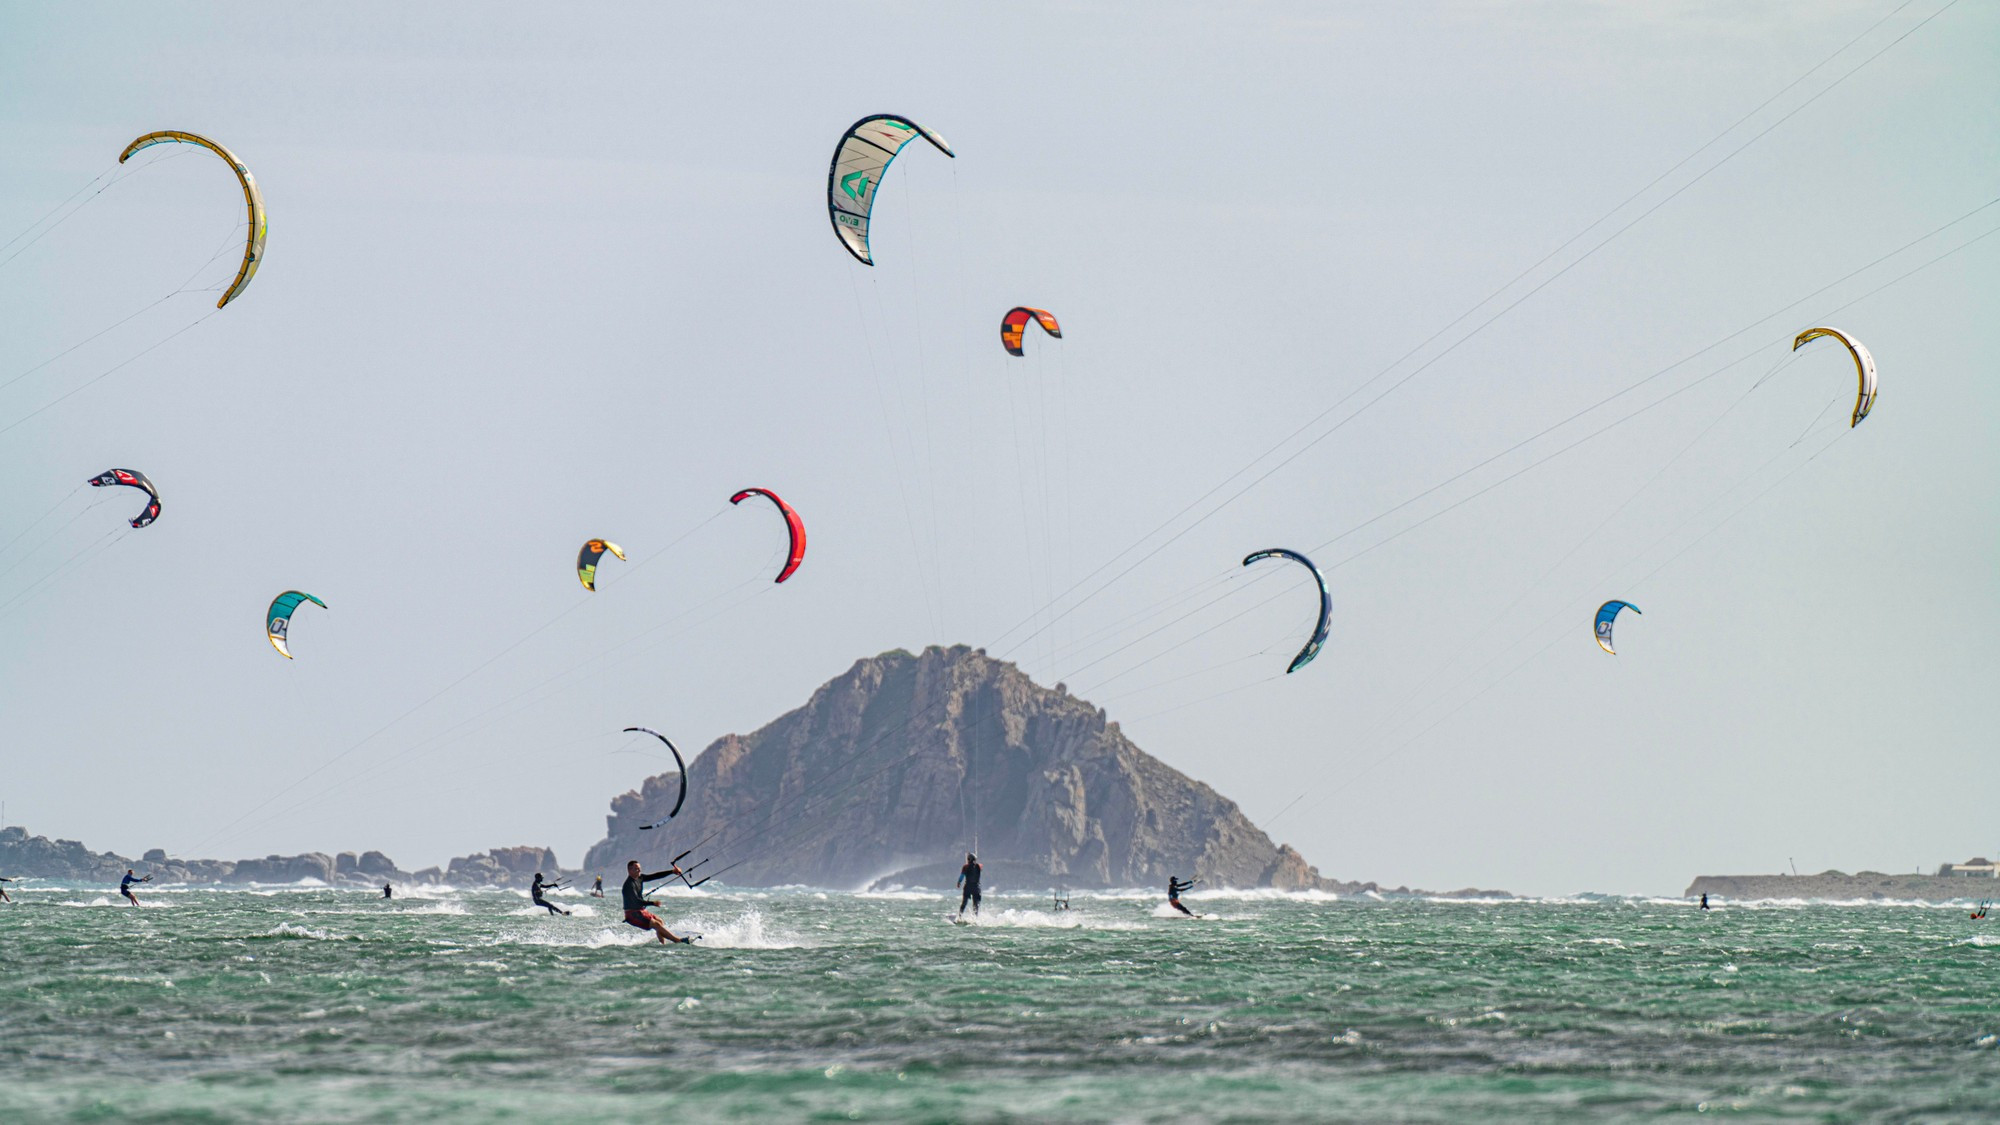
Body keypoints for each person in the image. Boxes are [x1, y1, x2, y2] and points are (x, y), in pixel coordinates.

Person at [620, 860, 691, 944]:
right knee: (656, 924)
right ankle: (678, 941)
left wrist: (672, 871)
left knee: (659, 921)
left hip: (641, 911)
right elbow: (637, 901)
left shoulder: (640, 878)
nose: (639, 870)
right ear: (629, 870)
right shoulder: (629, 885)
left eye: (639, 868)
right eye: (636, 869)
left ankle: (662, 944)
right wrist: (652, 903)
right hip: (632, 914)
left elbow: (655, 876)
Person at [956, 853, 982, 918]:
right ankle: (975, 918)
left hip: (968, 887)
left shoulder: (965, 867)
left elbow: (962, 876)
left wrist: (959, 882)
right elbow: (980, 866)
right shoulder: (979, 866)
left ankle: (959, 916)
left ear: (969, 859)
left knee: (964, 903)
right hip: (976, 888)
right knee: (976, 905)